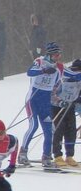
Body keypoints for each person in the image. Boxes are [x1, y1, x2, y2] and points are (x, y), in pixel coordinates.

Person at [18, 40, 62, 168]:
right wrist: (43, 71)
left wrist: (58, 99)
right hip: (33, 99)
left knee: (50, 130)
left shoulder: (58, 68)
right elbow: (29, 72)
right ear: (49, 54)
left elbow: (57, 86)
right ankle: (23, 153)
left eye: (59, 55)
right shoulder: (40, 61)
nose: (57, 57)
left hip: (45, 102)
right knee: (34, 126)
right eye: (55, 55)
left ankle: (46, 156)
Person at [50, 58, 81, 167]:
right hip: (57, 107)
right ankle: (57, 155)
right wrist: (59, 102)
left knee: (71, 130)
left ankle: (69, 156)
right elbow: (52, 93)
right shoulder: (64, 78)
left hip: (70, 106)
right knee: (59, 129)